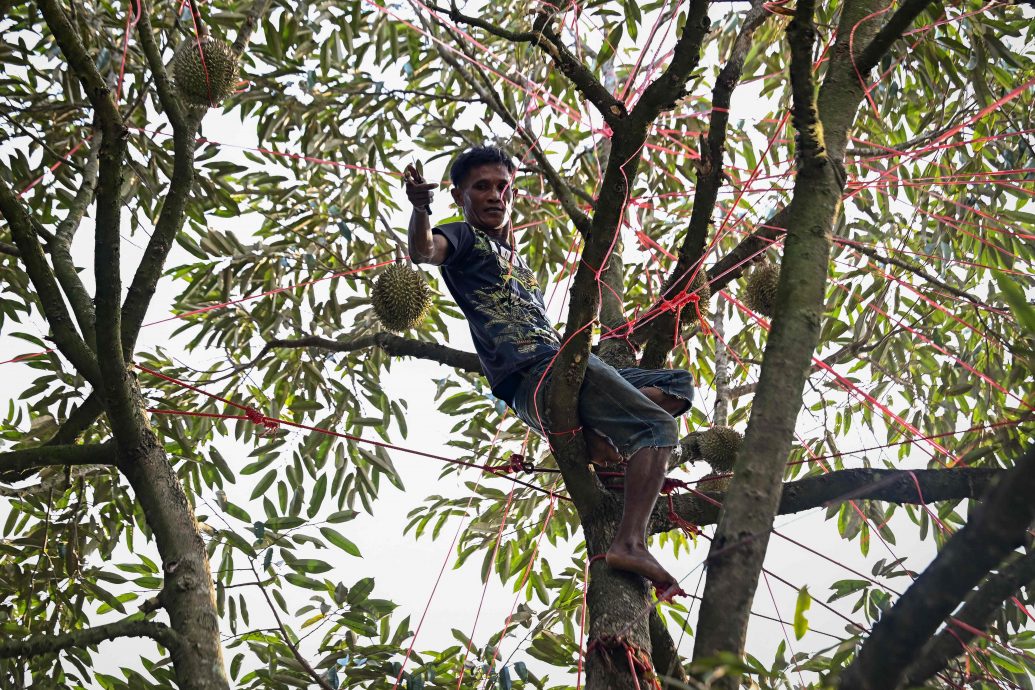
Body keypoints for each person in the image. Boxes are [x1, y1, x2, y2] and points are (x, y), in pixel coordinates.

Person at [404, 146, 694, 593]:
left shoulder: (514, 256)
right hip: (535, 374)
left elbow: (508, 234)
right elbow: (424, 250)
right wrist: (421, 210)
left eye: (503, 188)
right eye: (482, 187)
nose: (496, 195)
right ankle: (630, 542)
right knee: (656, 426)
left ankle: (602, 434)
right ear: (459, 195)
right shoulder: (460, 236)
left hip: (563, 365)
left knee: (677, 385)